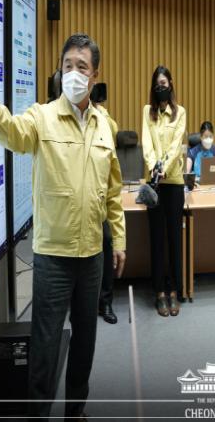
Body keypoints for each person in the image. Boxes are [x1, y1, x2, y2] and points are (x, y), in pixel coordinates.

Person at [0, 33, 126, 419]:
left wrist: (119, 239)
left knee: (85, 341)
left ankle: (75, 411)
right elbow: (14, 135)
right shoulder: (42, 116)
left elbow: (113, 191)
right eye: (67, 65)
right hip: (53, 255)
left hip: (92, 253)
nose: (73, 73)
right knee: (45, 345)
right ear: (59, 71)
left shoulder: (106, 125)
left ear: (95, 75)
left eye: (81, 67)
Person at [141, 65, 186, 317]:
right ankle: (159, 291)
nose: (161, 87)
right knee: (157, 240)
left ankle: (174, 290)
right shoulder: (147, 111)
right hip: (155, 184)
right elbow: (146, 144)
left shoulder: (180, 113)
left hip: (174, 182)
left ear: (170, 84)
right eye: (157, 84)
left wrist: (163, 168)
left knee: (174, 239)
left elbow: (177, 146)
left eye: (164, 83)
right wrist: (154, 168)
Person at [92, 92, 120, 325]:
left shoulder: (103, 117)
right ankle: (81, 304)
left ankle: (106, 302)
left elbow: (113, 130)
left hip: (100, 202)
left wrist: (99, 110)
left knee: (107, 246)